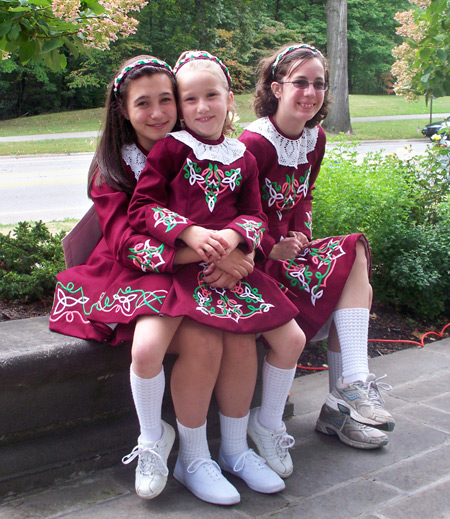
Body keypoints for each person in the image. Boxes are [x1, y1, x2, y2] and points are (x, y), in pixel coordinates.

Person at [48, 55, 242, 506]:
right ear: (122, 109)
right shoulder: (112, 166)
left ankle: (196, 459)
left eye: (166, 100)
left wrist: (237, 246)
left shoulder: (197, 147)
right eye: (143, 104)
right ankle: (154, 438)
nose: (157, 113)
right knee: (148, 347)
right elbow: (122, 241)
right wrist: (214, 251)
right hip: (132, 268)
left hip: (194, 267)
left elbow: (228, 211)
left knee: (208, 340)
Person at [126, 50, 306, 496]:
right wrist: (187, 231)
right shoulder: (172, 150)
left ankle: (237, 448)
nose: (203, 107)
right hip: (190, 273)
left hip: (231, 269)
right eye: (190, 100)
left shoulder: (242, 156)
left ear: (230, 98)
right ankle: (195, 457)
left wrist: (236, 239)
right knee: (232, 342)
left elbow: (254, 213)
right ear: (180, 108)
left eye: (213, 96)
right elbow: (143, 208)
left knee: (289, 338)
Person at [239, 43, 395, 451]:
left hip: (288, 251)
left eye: (319, 84)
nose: (310, 93)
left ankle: (347, 393)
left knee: (353, 253)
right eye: (300, 83)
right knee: (348, 276)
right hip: (254, 259)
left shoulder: (316, 138)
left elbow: (303, 197)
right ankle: (346, 397)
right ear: (276, 87)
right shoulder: (253, 143)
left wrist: (302, 235)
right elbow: (238, 211)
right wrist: (272, 246)